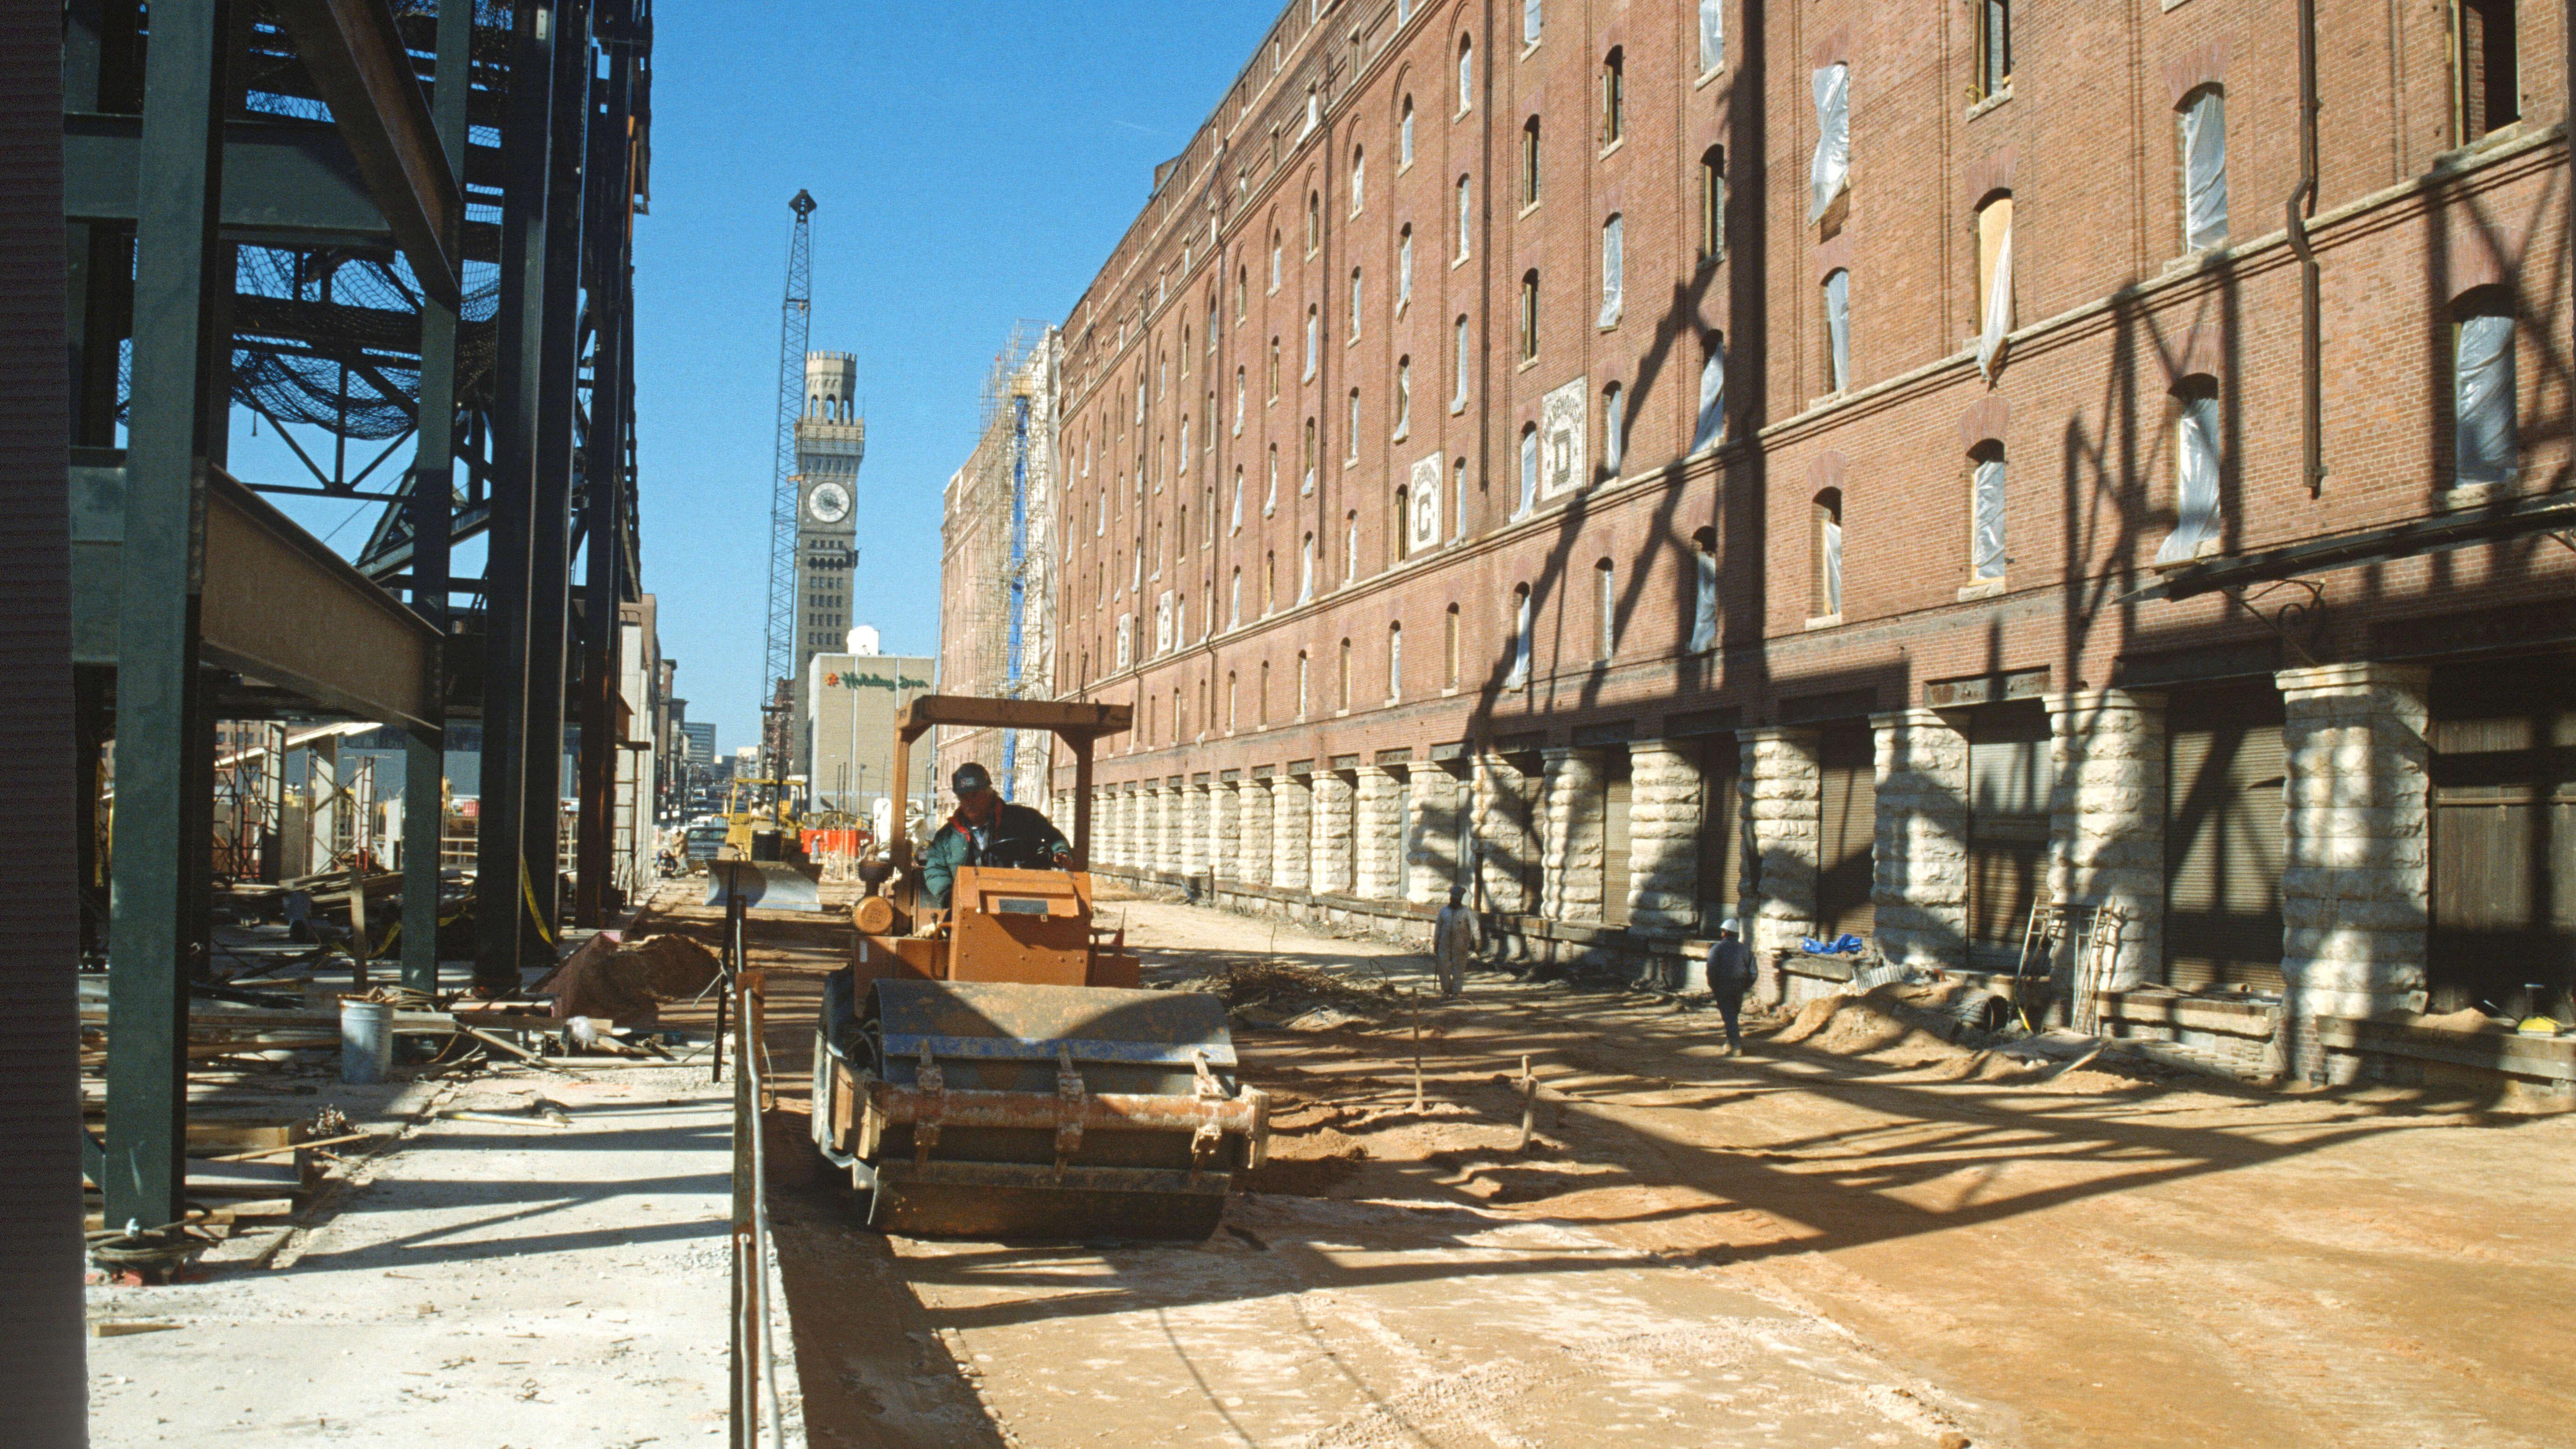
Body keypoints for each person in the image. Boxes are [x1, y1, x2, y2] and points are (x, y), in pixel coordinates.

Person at [916, 762, 1073, 910]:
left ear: (989, 794)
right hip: (969, 904)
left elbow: (1054, 839)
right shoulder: (947, 837)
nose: (970, 802)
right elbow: (935, 869)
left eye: (975, 795)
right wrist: (949, 895)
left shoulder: (1024, 819)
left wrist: (1061, 853)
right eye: (964, 797)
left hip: (1022, 900)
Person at [1705, 918, 1757, 1055]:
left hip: (1722, 986)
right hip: (1739, 986)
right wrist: (1746, 986)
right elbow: (1754, 972)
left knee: (1729, 1015)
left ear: (1725, 933)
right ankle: (1730, 1042)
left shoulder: (1716, 949)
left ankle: (1736, 1046)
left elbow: (1711, 970)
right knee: (1732, 1014)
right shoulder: (1746, 950)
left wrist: (1713, 985)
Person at [1431, 885, 1476, 998]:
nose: (1455, 901)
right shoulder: (1443, 911)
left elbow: (1475, 926)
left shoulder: (1467, 912)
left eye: (1458, 899)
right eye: (1453, 898)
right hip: (1444, 943)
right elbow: (1438, 928)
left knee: (1459, 968)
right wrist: (1436, 942)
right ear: (1451, 898)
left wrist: (1478, 940)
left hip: (1461, 944)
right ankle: (1446, 990)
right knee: (1443, 967)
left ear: (1460, 899)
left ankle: (1456, 992)